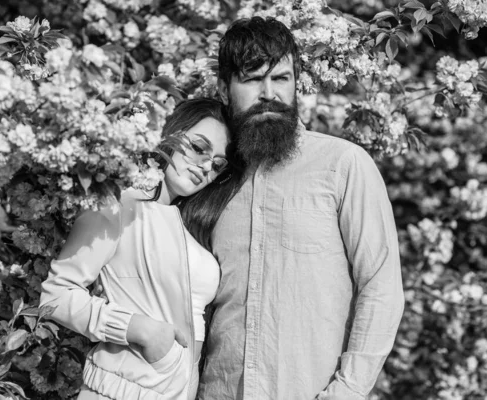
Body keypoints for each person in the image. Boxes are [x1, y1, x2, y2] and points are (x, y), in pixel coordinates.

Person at [197, 17, 405, 400]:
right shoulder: (209, 178)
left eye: (280, 78)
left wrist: (346, 392)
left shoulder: (343, 165)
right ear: (225, 90)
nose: (268, 93)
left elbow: (381, 286)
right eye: (251, 79)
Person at [40, 98, 236, 400]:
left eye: (218, 163)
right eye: (199, 148)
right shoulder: (119, 203)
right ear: (172, 133)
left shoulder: (182, 222)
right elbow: (55, 296)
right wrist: (139, 330)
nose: (206, 166)